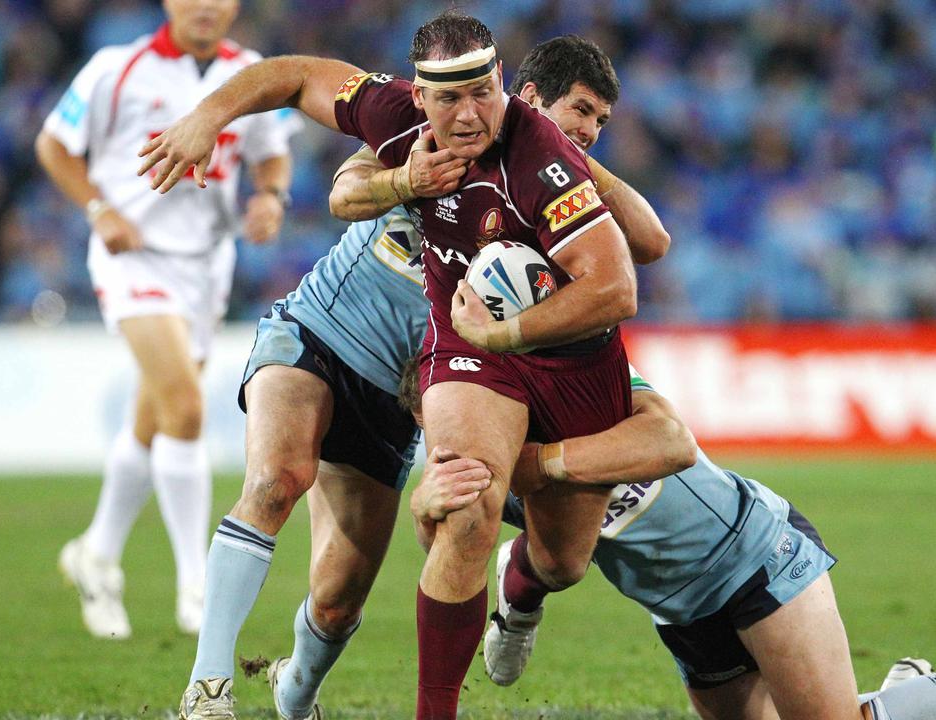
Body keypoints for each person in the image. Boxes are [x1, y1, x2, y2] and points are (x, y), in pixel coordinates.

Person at [140, 14, 652, 719]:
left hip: (404, 395)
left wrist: (574, 158)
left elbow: (644, 245)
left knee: (339, 594)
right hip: (320, 331)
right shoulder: (406, 124)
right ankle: (207, 689)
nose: (591, 129)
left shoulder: (547, 173)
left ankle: (296, 690)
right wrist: (208, 117)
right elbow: (313, 113)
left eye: (599, 121)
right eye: (580, 114)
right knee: (274, 479)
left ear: (503, 88)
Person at [410, 366, 936, 720]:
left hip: (755, 557)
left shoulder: (582, 384)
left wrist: (539, 474)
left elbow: (671, 440)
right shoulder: (473, 454)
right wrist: (425, 506)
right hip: (681, 613)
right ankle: (903, 696)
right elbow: (453, 558)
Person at [36, 0, 296, 640]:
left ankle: (96, 553)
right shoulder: (115, 68)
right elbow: (53, 144)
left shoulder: (250, 71)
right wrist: (100, 210)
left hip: (206, 263)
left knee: (154, 418)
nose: (206, 6)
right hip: (134, 257)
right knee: (183, 406)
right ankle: (196, 584)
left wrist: (270, 196)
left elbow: (271, 151)